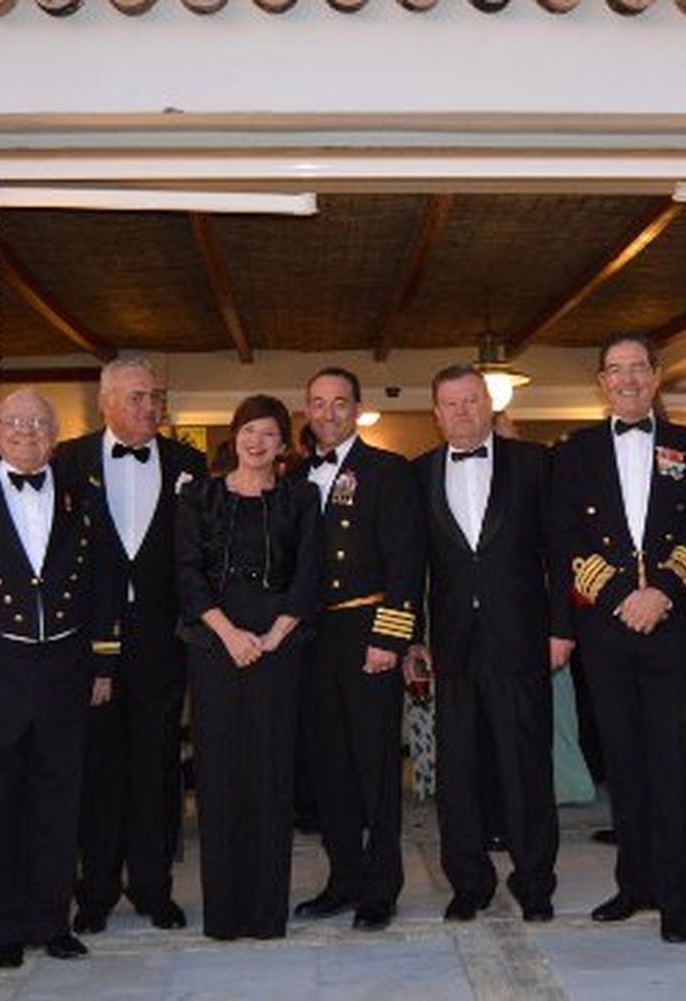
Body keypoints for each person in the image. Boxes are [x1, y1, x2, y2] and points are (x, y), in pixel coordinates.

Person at [0, 388, 120, 969]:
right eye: (15, 423)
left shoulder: (84, 497)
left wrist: (105, 662)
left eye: (38, 424)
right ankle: (0, 927)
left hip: (65, 668)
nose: (27, 432)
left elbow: (106, 584)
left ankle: (50, 920)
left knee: (58, 800)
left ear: (54, 436)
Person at [549, 333, 686, 944]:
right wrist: (621, 596)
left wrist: (663, 592)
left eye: (636, 368)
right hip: (608, 629)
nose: (625, 379)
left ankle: (677, 899)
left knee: (674, 765)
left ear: (655, 376)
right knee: (623, 763)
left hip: (674, 628)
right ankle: (635, 884)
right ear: (601, 382)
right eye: (613, 370)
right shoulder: (573, 453)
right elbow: (563, 537)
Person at [408, 365, 568, 924]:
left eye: (471, 401)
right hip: (452, 647)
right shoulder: (420, 473)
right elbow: (410, 567)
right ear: (436, 412)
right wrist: (411, 640)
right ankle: (468, 882)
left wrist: (561, 629)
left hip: (522, 640)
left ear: (489, 405)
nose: (461, 413)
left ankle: (535, 882)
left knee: (526, 764)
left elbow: (560, 554)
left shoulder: (534, 464)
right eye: (449, 404)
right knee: (460, 768)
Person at [56, 357, 206, 935]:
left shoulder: (187, 464)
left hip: (162, 647)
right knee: (96, 770)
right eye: (138, 397)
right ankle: (94, 892)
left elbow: (198, 557)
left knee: (157, 769)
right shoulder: (66, 462)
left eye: (156, 398)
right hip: (87, 648)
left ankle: (153, 888)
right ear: (107, 401)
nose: (150, 408)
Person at [176, 394, 320, 940]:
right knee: (219, 776)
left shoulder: (300, 498)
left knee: (270, 774)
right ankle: (225, 914)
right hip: (215, 643)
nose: (256, 442)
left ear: (283, 446)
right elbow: (186, 572)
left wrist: (272, 636)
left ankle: (265, 914)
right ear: (233, 436)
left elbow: (307, 574)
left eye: (268, 434)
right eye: (247, 431)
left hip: (278, 645)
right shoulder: (200, 495)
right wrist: (231, 634)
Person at [293, 367, 425, 932]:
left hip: (366, 634)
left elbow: (406, 562)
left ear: (357, 408)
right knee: (329, 769)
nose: (328, 414)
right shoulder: (296, 478)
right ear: (307, 410)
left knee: (374, 767)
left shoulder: (387, 471)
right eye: (318, 404)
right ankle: (343, 878)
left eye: (339, 403)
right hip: (312, 642)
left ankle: (381, 885)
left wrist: (390, 638)